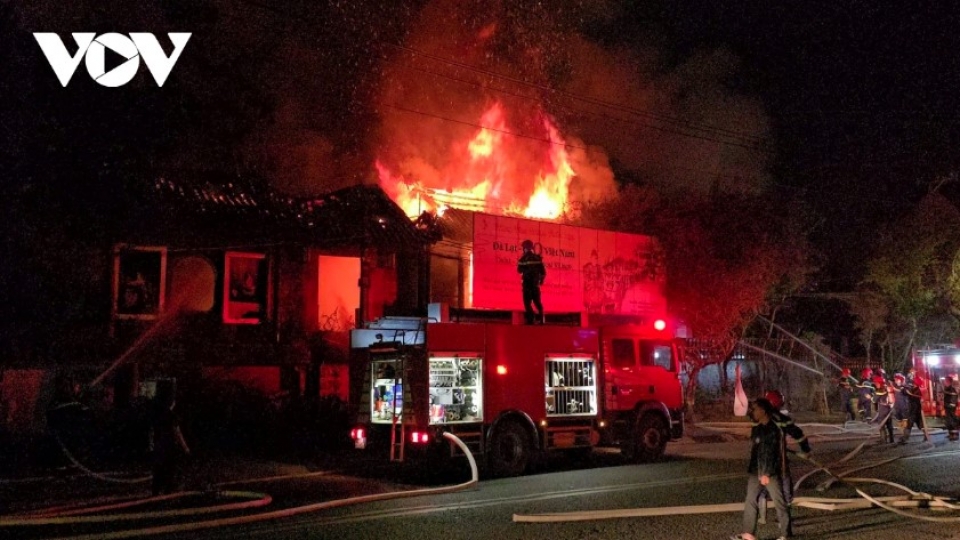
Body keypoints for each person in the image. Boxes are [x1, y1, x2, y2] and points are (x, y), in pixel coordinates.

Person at [731, 397, 795, 540]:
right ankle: (748, 533)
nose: (752, 412)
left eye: (754, 409)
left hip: (769, 472)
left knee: (779, 502)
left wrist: (766, 472)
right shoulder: (757, 429)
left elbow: (771, 452)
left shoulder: (773, 429)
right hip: (756, 471)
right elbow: (758, 452)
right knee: (751, 500)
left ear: (763, 410)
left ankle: (785, 534)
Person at [754, 390, 811, 526]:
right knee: (786, 490)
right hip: (780, 462)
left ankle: (762, 517)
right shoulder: (782, 419)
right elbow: (799, 435)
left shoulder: (760, 418)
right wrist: (805, 450)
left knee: (763, 488)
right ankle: (783, 521)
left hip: (762, 462)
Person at [150, 380, 190, 495]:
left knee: (158, 470)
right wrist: (185, 447)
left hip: (158, 444)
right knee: (169, 470)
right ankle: (167, 493)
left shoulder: (156, 413)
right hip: (168, 445)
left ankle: (156, 492)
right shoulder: (171, 415)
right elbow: (176, 431)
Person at [517, 239, 546, 325]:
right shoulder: (537, 258)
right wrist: (541, 281)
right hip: (535, 285)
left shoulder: (523, 259)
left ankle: (531, 319)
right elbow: (543, 273)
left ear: (525, 248)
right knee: (538, 303)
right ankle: (541, 320)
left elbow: (519, 270)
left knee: (527, 303)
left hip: (527, 286)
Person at [898, 375, 928, 444]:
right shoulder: (913, 388)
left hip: (915, 410)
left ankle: (905, 438)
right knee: (914, 425)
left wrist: (908, 392)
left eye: (913, 382)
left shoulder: (918, 390)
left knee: (914, 425)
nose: (912, 383)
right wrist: (904, 389)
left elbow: (915, 397)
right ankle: (905, 438)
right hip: (913, 410)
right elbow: (905, 393)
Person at [872, 375, 895, 443]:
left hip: (882, 410)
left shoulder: (879, 390)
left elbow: (874, 400)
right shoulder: (887, 388)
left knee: (881, 425)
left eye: (876, 383)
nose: (876, 385)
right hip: (889, 409)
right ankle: (892, 440)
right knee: (889, 425)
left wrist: (870, 397)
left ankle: (883, 440)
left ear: (879, 383)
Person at [943, 374, 958, 441]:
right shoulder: (947, 389)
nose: (944, 382)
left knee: (952, 420)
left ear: (949, 382)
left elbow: (954, 397)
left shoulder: (952, 389)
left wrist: (952, 404)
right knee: (949, 421)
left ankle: (954, 435)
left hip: (950, 407)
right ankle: (951, 434)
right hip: (948, 406)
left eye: (945, 381)